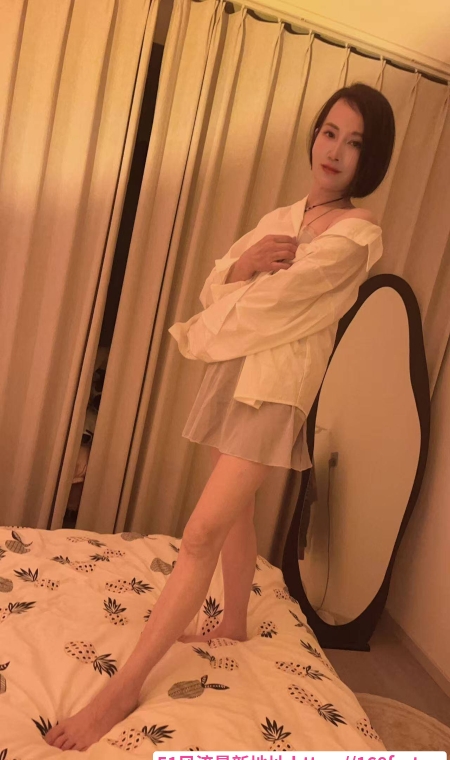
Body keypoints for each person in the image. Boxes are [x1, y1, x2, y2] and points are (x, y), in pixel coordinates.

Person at [45, 82, 395, 751]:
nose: (335, 150)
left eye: (354, 142)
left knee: (201, 531)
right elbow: (215, 284)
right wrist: (244, 264)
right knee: (236, 514)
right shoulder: (280, 215)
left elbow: (279, 305)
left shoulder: (358, 235)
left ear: (369, 157)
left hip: (275, 387)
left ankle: (121, 691)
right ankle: (234, 621)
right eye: (329, 132)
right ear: (315, 136)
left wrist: (241, 286)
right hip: (233, 372)